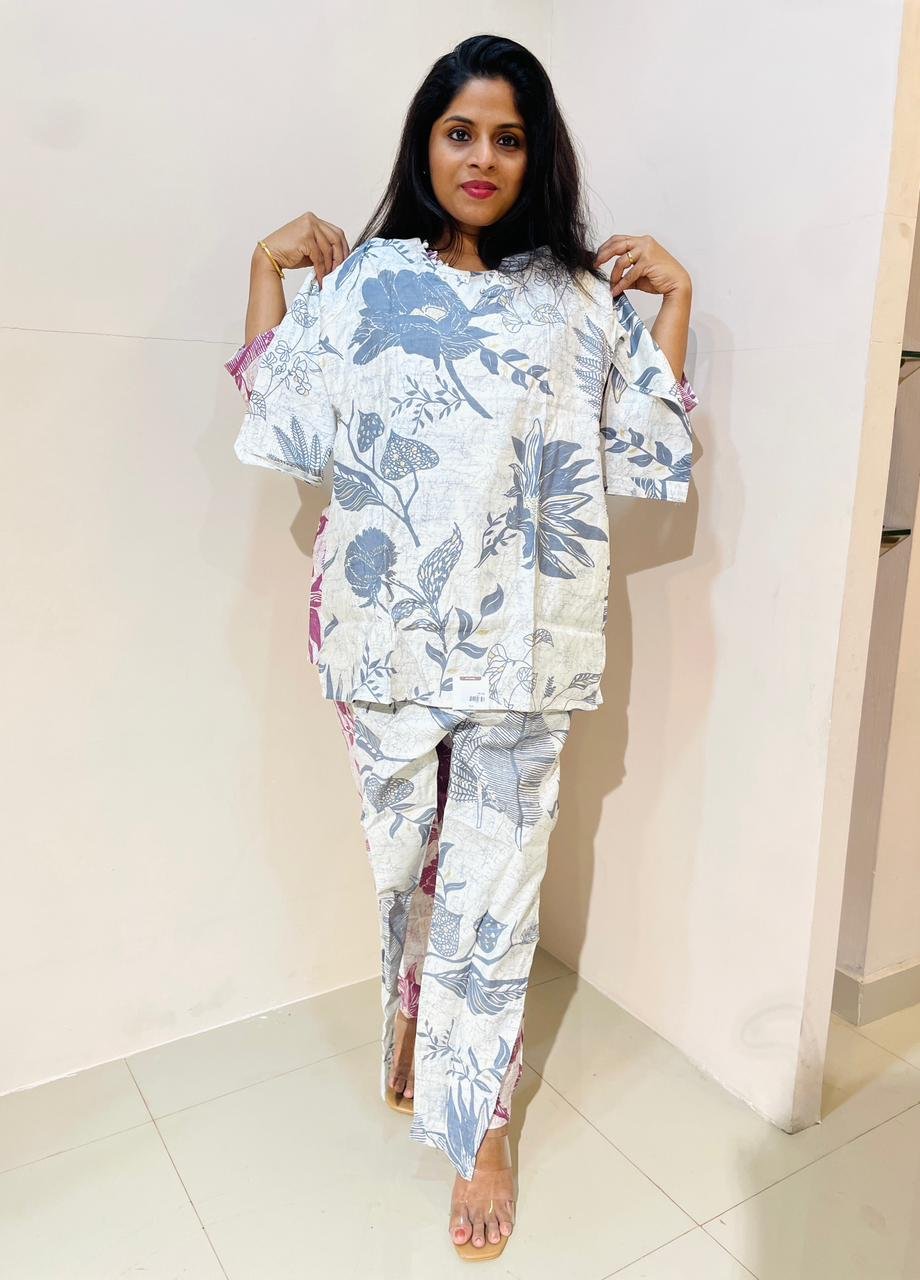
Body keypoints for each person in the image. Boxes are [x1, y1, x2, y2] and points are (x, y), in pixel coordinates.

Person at [225, 32, 698, 1261]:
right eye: (458, 131)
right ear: (424, 143)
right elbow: (283, 419)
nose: (481, 156)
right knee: (403, 867)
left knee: (495, 891)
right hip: (386, 638)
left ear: (535, 155)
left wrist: (675, 302)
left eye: (506, 136)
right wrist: (268, 268)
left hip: (521, 651)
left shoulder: (574, 295)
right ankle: (416, 1021)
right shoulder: (369, 282)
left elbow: (643, 449)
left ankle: (480, 1127)